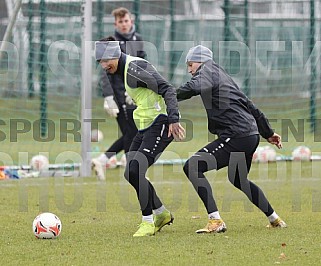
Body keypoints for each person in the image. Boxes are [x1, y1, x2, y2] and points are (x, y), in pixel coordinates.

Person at [176, 45, 287, 234]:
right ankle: (275, 219)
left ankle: (215, 220)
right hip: (250, 135)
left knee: (193, 166)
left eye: (191, 64)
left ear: (201, 61)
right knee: (238, 179)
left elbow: (194, 86)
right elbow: (250, 105)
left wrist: (169, 93)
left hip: (236, 135)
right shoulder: (223, 75)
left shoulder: (207, 70)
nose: (189, 70)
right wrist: (267, 132)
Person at [95, 40, 185, 237]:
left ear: (115, 55)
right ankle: (162, 214)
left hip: (160, 123)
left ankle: (147, 222)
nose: (103, 66)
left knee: (136, 169)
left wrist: (173, 119)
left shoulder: (134, 68)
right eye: (100, 62)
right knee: (130, 173)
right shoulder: (124, 70)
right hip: (144, 126)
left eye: (105, 61)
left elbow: (167, 89)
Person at [92, 7, 146, 181]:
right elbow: (104, 72)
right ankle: (130, 167)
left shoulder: (138, 40)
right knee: (132, 132)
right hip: (119, 97)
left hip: (134, 94)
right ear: (116, 24)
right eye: (120, 22)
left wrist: (141, 88)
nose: (123, 24)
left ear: (132, 21)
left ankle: (104, 160)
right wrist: (109, 98)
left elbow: (143, 66)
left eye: (126, 21)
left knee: (131, 132)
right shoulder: (111, 43)